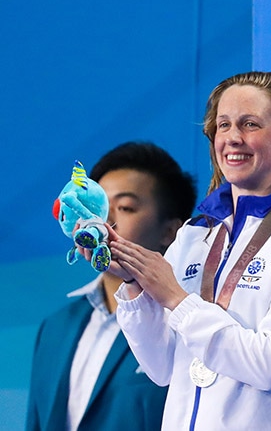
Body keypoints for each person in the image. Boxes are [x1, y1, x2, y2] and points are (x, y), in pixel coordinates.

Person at [107, 72, 271, 431]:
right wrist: (132, 282)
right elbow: (162, 367)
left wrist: (176, 298)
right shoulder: (195, 234)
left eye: (250, 124)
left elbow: (270, 365)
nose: (233, 138)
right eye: (224, 125)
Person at [27, 142, 197, 431]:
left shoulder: (187, 326)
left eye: (125, 207)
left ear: (171, 232)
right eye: (96, 205)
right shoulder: (55, 327)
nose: (104, 220)